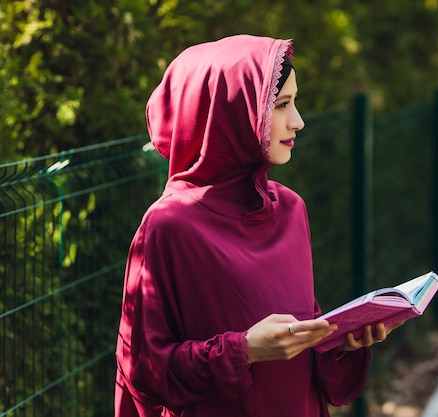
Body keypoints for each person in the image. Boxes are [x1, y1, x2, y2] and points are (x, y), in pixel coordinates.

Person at [114, 34, 400, 417]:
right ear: (227, 113)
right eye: (281, 105)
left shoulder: (291, 209)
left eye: (295, 103)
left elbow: (301, 346)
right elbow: (145, 371)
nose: (297, 121)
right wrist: (245, 349)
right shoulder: (168, 226)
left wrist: (341, 341)